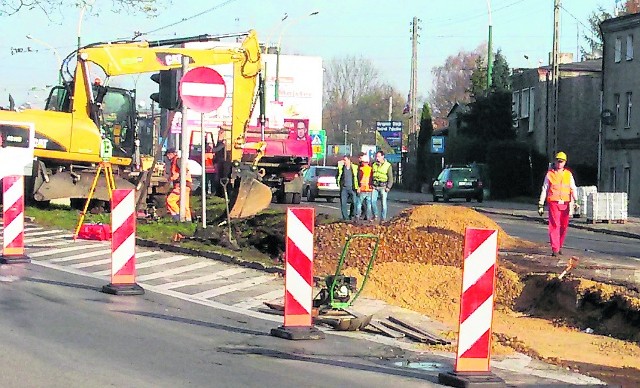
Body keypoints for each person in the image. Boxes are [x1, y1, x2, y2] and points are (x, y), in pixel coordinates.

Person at [538, 151, 579, 257]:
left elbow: (573, 188)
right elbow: (545, 189)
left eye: (562, 161)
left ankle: (559, 245)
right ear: (555, 162)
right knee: (555, 225)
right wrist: (541, 204)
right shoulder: (550, 174)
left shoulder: (568, 175)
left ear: (565, 162)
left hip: (565, 203)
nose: (560, 163)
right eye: (558, 161)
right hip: (553, 203)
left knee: (563, 226)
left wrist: (576, 201)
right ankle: (555, 248)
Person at [165, 148, 192, 221]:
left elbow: (184, 170)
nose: (167, 157)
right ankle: (188, 219)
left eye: (168, 154)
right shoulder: (176, 161)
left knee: (170, 200)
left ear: (173, 154)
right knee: (185, 204)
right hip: (185, 185)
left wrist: (176, 177)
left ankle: (178, 216)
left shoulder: (178, 160)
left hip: (182, 185)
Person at [371, 150, 393, 222]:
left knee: (383, 204)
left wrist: (388, 187)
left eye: (379, 156)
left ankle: (383, 219)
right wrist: (371, 183)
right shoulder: (374, 165)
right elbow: (371, 175)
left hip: (383, 187)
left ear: (383, 157)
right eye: (376, 156)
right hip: (375, 186)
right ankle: (375, 215)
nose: (377, 158)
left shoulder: (388, 165)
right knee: (372, 201)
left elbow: (390, 177)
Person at [336, 155, 359, 220]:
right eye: (343, 160)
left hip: (352, 187)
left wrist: (358, 186)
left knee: (354, 202)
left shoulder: (354, 167)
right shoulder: (341, 167)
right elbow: (337, 175)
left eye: (345, 160)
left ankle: (352, 215)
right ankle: (345, 218)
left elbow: (357, 177)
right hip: (344, 188)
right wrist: (339, 184)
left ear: (349, 160)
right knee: (343, 203)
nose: (344, 162)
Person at [355, 152, 374, 222]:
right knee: (368, 204)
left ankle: (357, 216)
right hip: (369, 189)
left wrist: (359, 187)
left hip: (362, 188)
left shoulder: (361, 169)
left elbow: (359, 178)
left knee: (359, 203)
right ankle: (368, 217)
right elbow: (372, 178)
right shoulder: (370, 169)